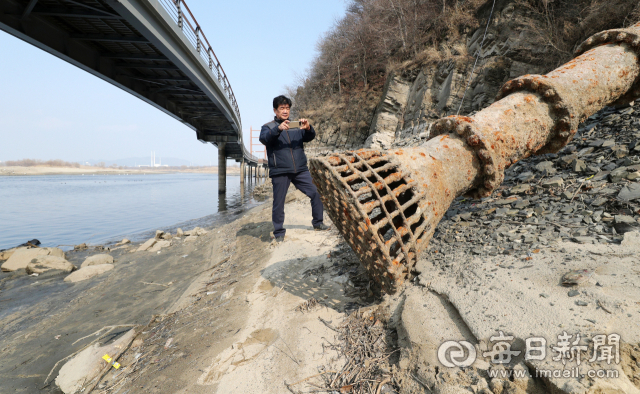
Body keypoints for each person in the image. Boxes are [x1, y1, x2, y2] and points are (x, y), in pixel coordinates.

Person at [259, 95, 330, 242]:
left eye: (287, 108)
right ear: (275, 110)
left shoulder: (296, 125)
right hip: (280, 171)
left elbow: (310, 136)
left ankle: (318, 223)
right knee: (279, 202)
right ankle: (279, 233)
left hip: (300, 170)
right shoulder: (268, 127)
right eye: (282, 108)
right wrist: (278, 129)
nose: (285, 111)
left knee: (316, 192)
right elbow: (264, 139)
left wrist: (309, 128)